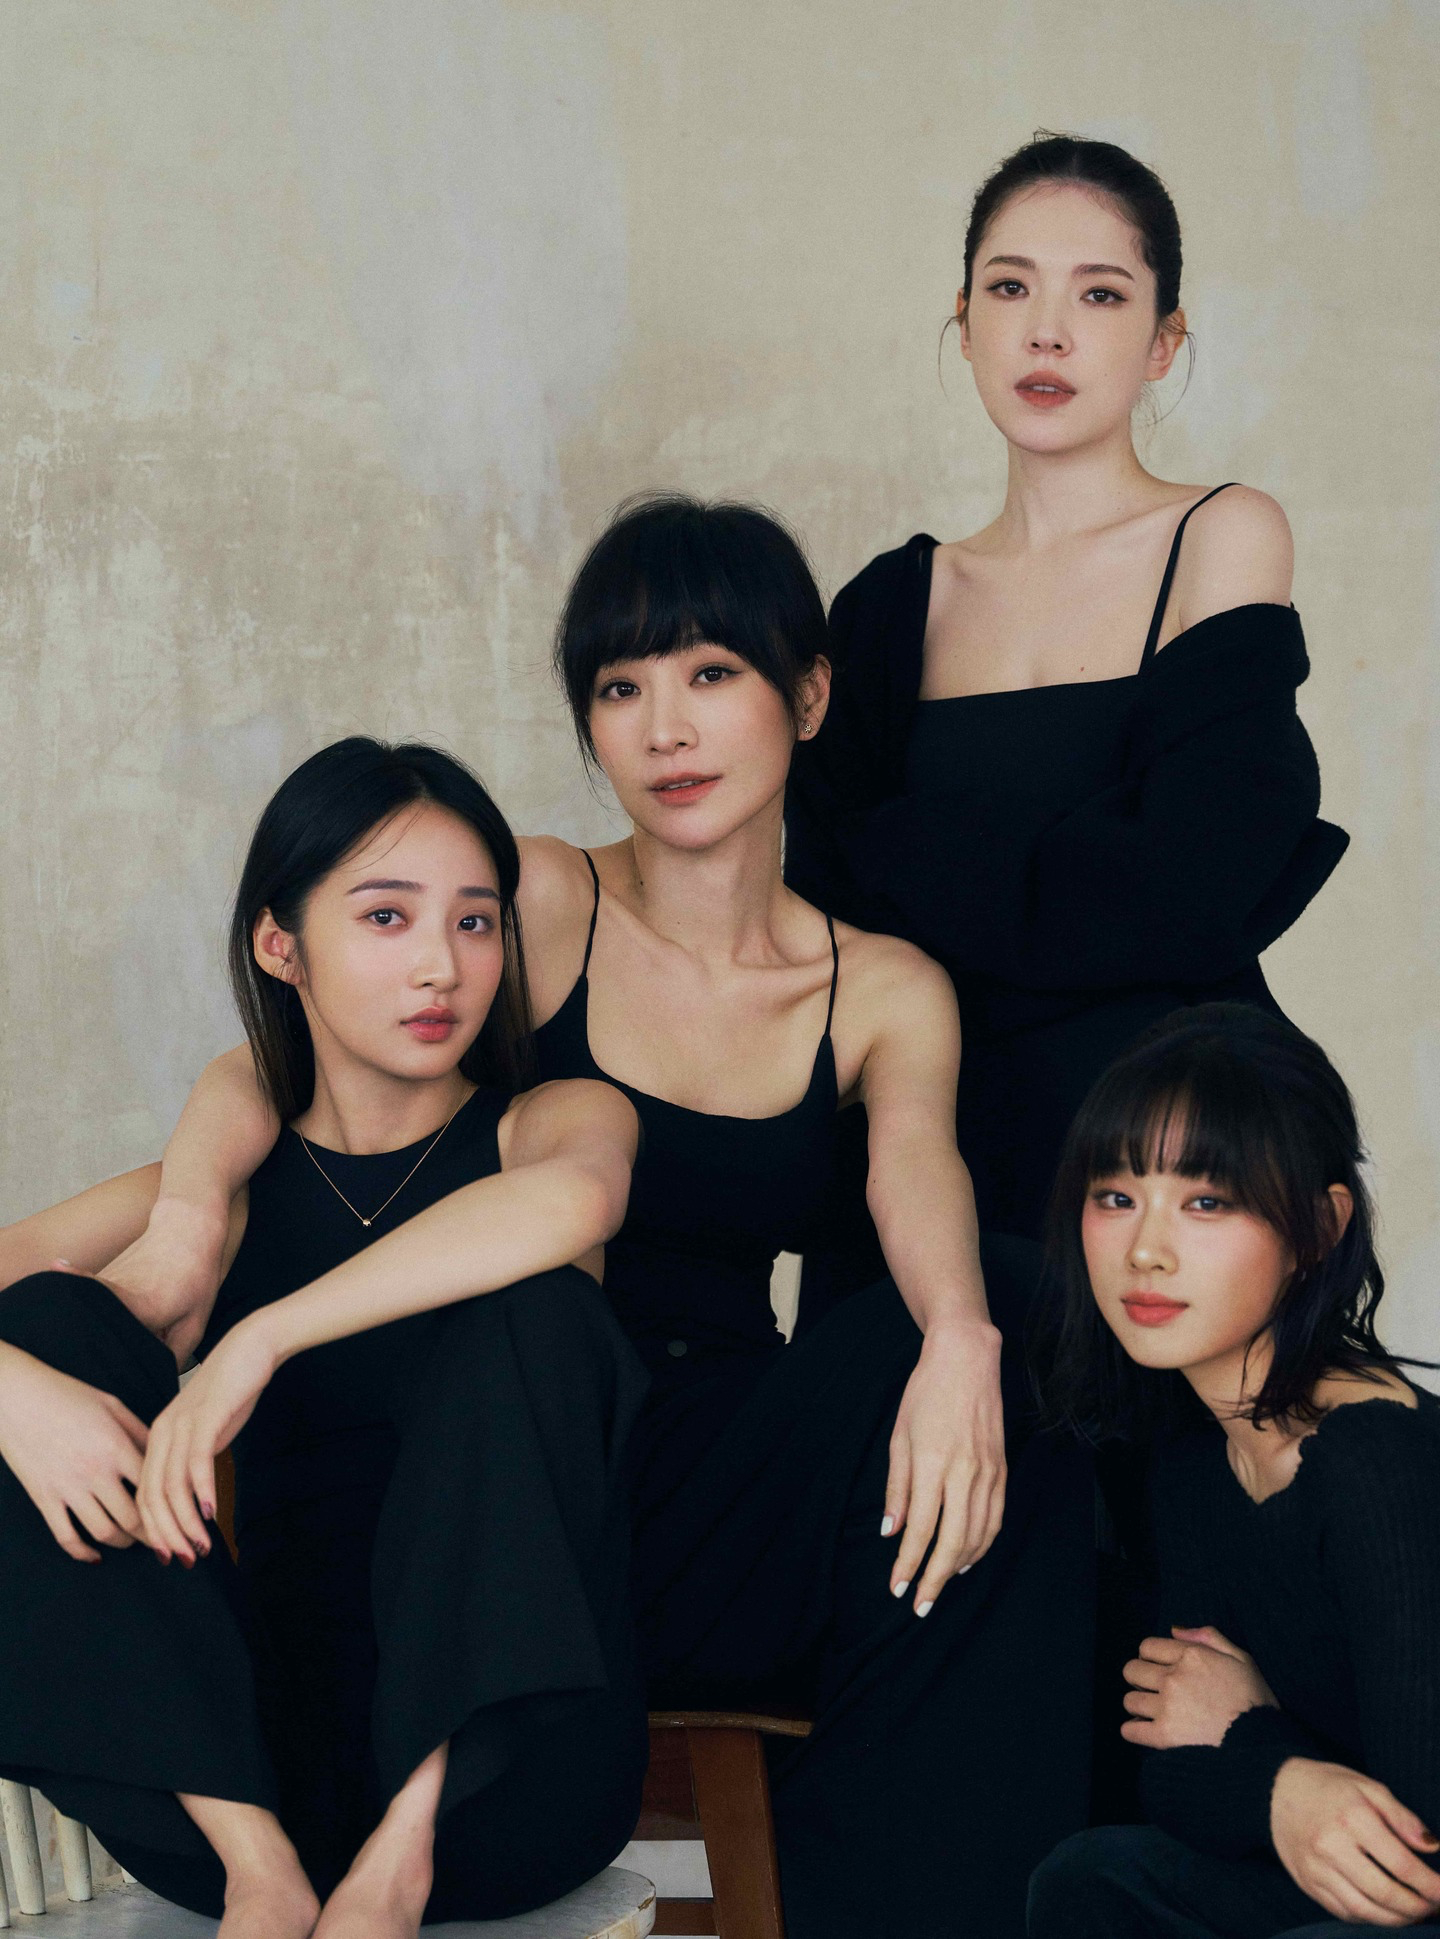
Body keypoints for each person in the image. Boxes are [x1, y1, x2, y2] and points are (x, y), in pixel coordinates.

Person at [97, 496, 1095, 1938]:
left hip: (701, 1474)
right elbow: (299, 1045)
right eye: (621, 689)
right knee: (541, 1318)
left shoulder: (878, 985)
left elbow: (914, 1172)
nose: (666, 729)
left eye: (711, 674)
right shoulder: (543, 897)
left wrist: (957, 1337)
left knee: (1016, 1329)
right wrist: (193, 1214)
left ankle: (899, 1895)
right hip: (489, 1441)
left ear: (810, 695)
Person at [0, 738, 650, 1938]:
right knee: (40, 1324)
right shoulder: (224, 1188)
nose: (441, 965)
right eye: (386, 917)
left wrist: (257, 1342)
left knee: (540, 1306)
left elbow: (578, 1203)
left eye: (475, 922)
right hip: (251, 1768)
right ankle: (259, 1865)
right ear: (280, 945)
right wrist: (19, 1395)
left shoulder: (553, 1124)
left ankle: (397, 1859)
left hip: (504, 1786)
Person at [785, 131, 1348, 1279]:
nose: (1047, 331)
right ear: (965, 322)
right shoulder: (885, 607)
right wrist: (1078, 871)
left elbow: (1189, 883)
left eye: (1100, 293)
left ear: (1164, 340)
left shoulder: (1222, 535)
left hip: (1161, 1155)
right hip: (928, 1152)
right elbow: (828, 921)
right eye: (1010, 288)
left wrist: (921, 859)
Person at [1028, 1003, 1440, 1938]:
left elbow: (1422, 1848)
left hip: (1415, 1895)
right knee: (1091, 1878)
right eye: (1115, 1196)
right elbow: (1171, 1758)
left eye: (1207, 1202)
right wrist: (1275, 1782)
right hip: (1344, 1894)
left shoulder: (1375, 1462)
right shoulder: (1194, 1459)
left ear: (1319, 1229)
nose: (1145, 1250)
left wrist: (1264, 1762)